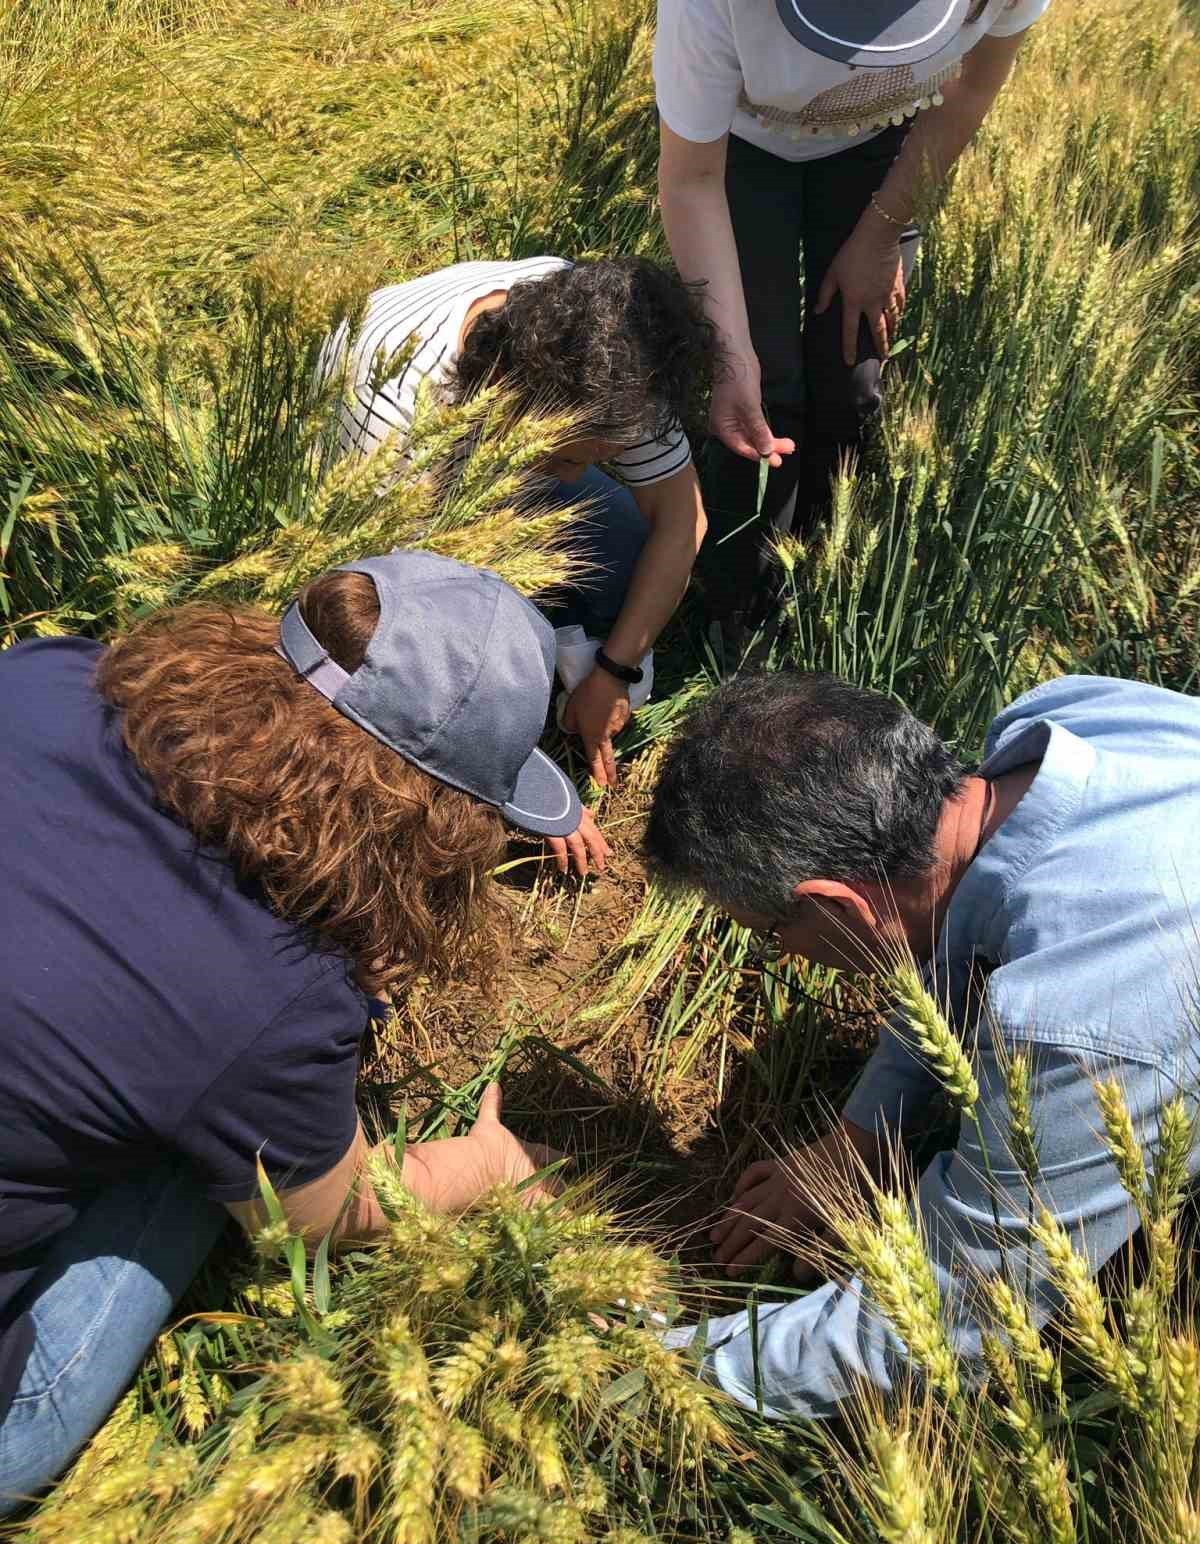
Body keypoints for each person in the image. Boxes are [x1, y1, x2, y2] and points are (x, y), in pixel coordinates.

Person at [0, 549, 591, 1513]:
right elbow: (332, 1218)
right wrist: (491, 1165)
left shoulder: (54, 673)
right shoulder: (274, 998)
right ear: (437, 819)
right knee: (228, 1163)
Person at [645, 671, 1200, 1416]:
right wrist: (862, 1133)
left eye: (774, 934)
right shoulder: (1067, 718)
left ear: (833, 905)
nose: (785, 951)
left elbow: (951, 1325)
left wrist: (643, 1364)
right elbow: (952, 928)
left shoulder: (1079, 1024)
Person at [654, 0, 1053, 644]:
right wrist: (731, 346)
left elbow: (971, 88)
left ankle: (819, 572)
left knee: (854, 374)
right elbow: (691, 179)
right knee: (760, 386)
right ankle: (730, 599)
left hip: (882, 149)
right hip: (741, 153)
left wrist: (883, 231)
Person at [321, 255, 713, 788]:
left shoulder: (620, 352)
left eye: (599, 461)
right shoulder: (394, 404)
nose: (574, 482)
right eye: (567, 460)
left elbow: (681, 519)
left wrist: (615, 672)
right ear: (516, 390)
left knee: (621, 539)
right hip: (384, 484)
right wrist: (513, 768)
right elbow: (406, 610)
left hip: (490, 444)